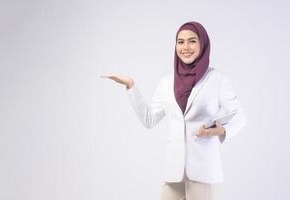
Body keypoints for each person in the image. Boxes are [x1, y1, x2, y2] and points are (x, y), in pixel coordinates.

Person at [101, 21, 246, 200]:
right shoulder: (166, 83)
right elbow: (149, 120)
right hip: (174, 172)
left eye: (192, 41)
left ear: (203, 44)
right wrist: (131, 86)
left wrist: (221, 131)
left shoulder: (218, 79)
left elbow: (239, 117)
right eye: (180, 41)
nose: (186, 47)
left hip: (204, 172)